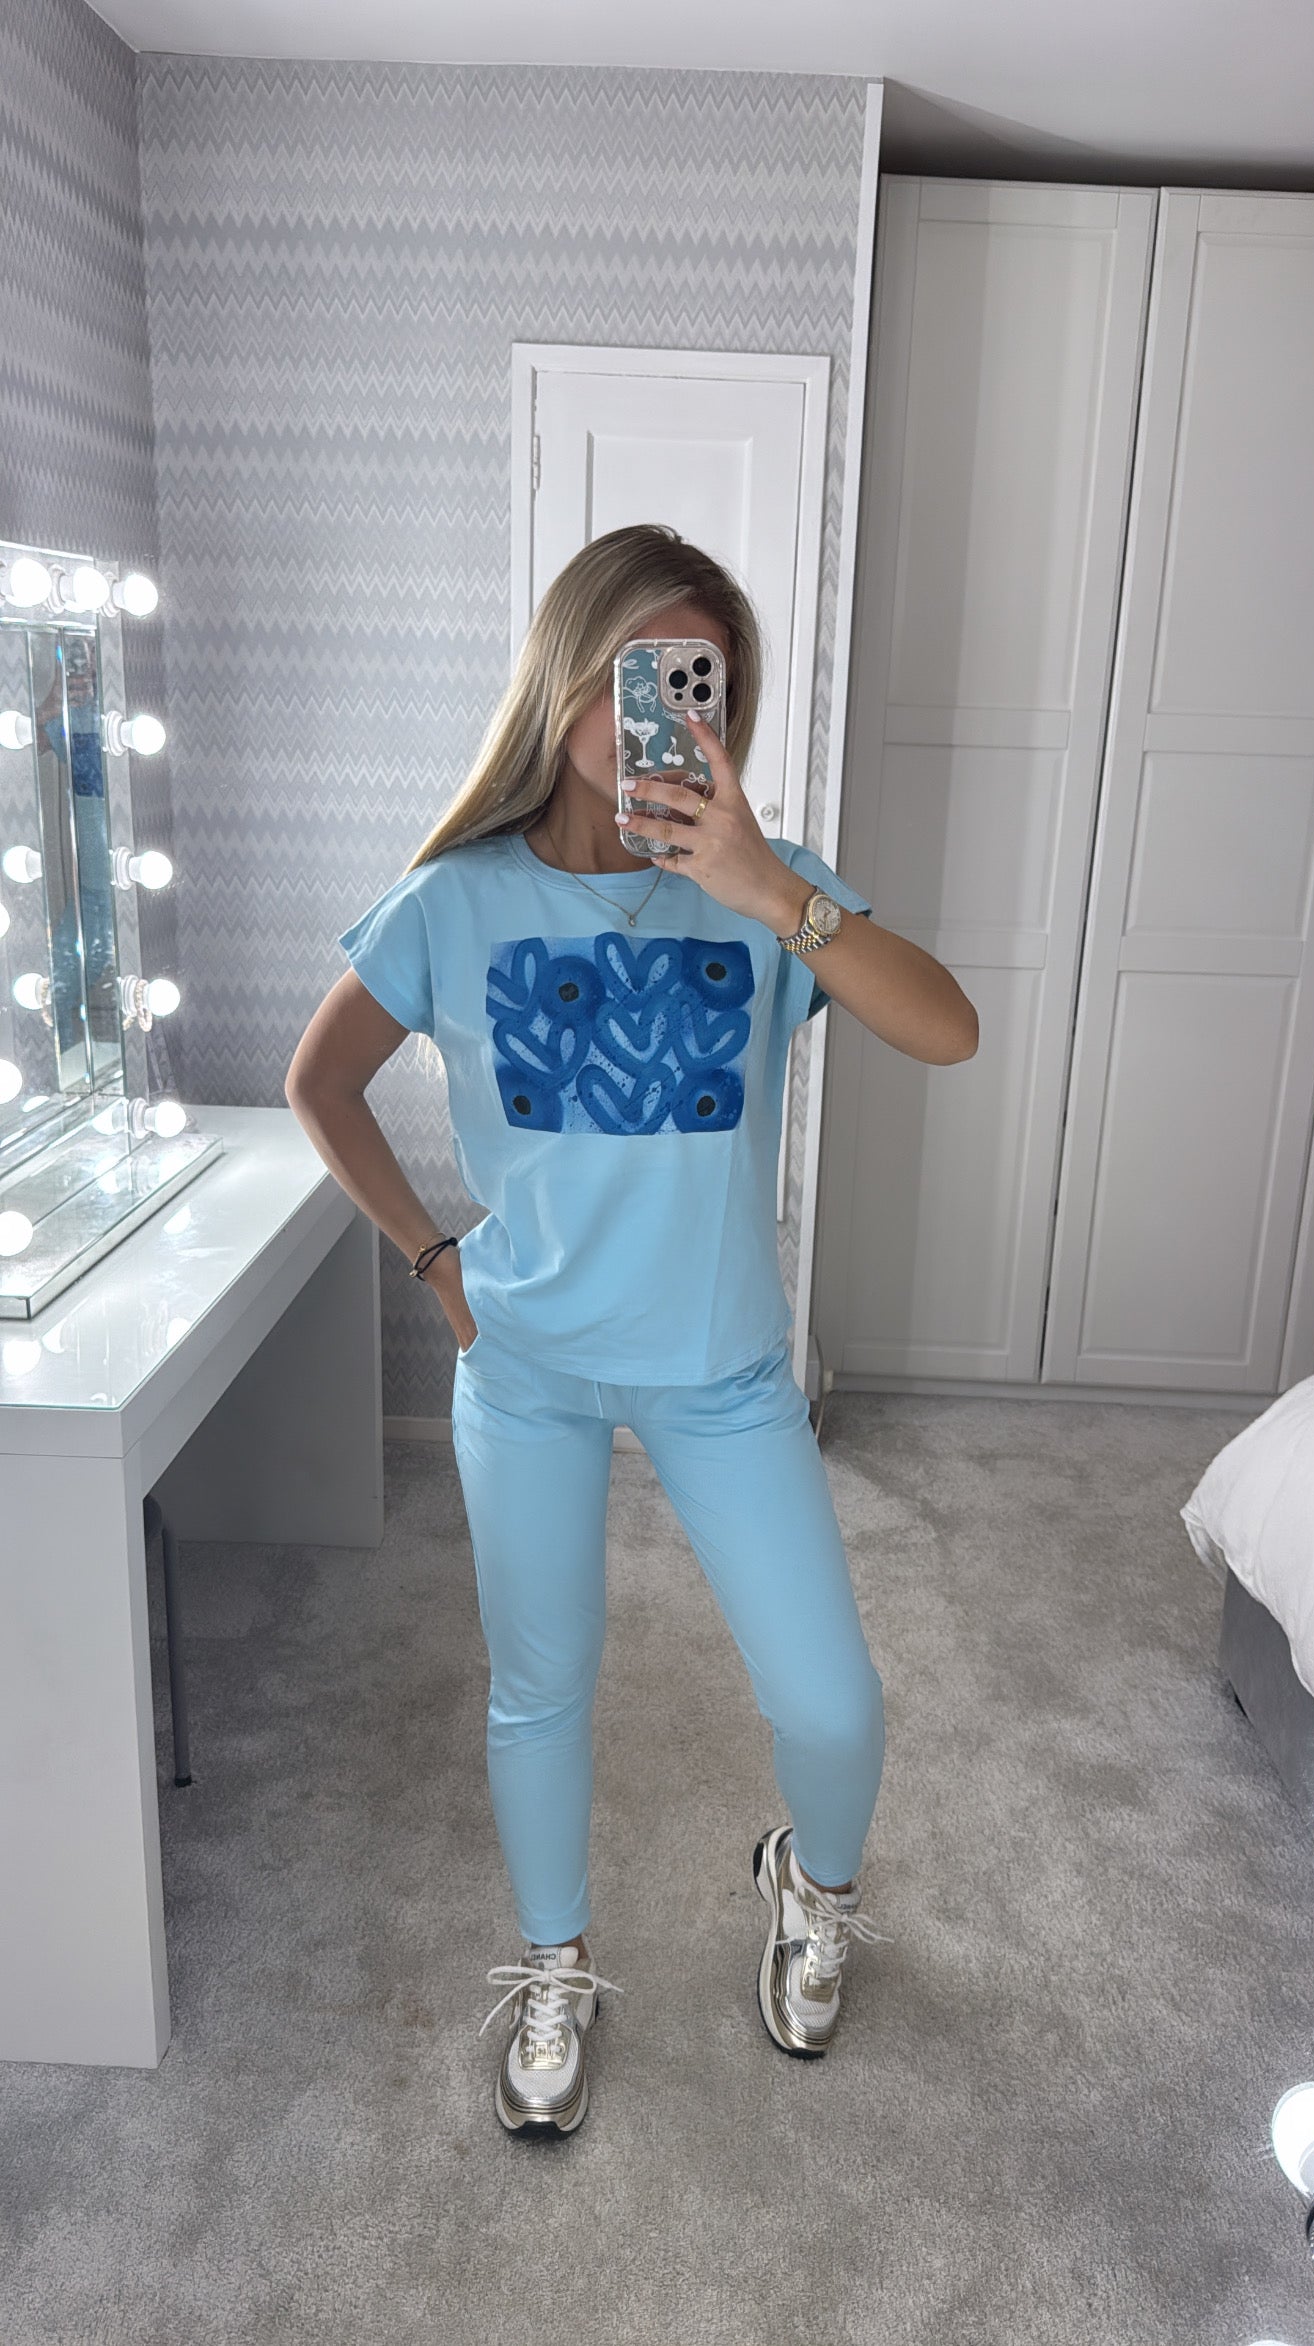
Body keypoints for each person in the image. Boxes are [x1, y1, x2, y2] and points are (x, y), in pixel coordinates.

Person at [286, 522, 974, 2143]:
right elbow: (321, 1083)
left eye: (696, 683)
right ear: (563, 678)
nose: (660, 714)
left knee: (834, 1703)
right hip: (525, 1366)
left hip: (722, 1367)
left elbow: (946, 1028)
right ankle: (556, 1961)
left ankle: (810, 1888)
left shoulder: (768, 886)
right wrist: (433, 1259)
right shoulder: (456, 899)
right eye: (630, 676)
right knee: (543, 1683)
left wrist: (764, 887)